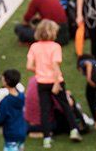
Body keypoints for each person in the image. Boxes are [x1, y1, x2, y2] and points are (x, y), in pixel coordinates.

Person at [26, 19, 80, 147]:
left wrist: (39, 70)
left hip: (42, 82)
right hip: (55, 81)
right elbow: (55, 66)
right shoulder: (55, 47)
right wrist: (56, 83)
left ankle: (46, 138)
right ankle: (74, 130)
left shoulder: (34, 47)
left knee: (45, 109)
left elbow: (29, 66)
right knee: (65, 106)